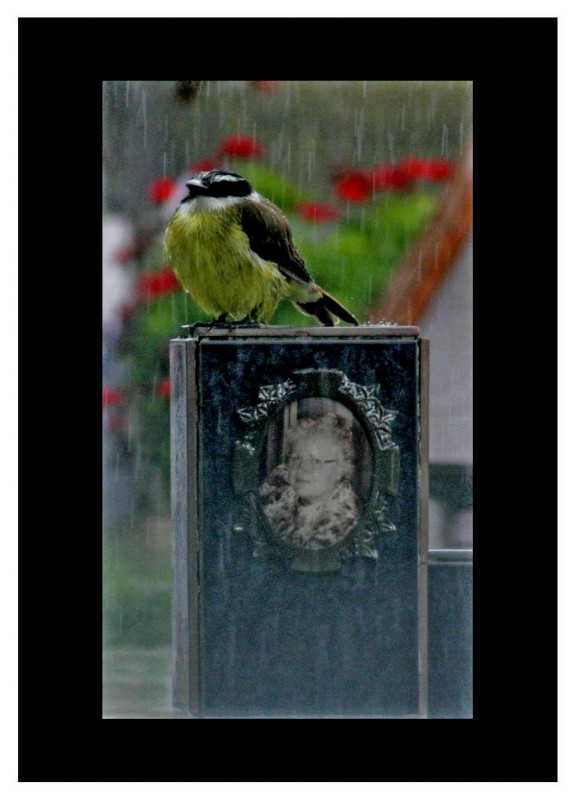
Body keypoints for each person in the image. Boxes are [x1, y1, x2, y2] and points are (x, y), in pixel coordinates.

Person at [259, 414, 359, 550]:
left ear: (340, 469)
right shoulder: (274, 507)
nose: (302, 468)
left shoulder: (350, 526)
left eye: (316, 461)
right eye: (295, 458)